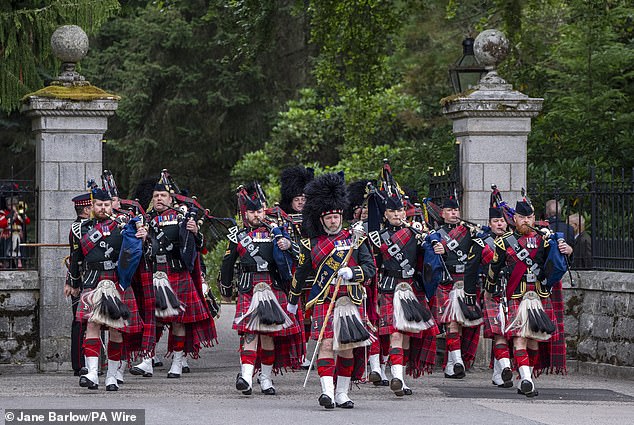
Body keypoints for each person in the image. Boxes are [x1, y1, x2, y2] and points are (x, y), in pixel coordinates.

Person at [288, 173, 376, 409]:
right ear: (322, 219)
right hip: (325, 299)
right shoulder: (311, 243)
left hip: (349, 300)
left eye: (337, 217)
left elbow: (370, 269)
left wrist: (352, 273)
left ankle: (342, 394)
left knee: (345, 349)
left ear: (341, 216)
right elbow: (301, 273)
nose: (334, 221)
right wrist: (293, 300)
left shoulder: (355, 239)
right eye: (329, 218)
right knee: (326, 345)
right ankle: (326, 392)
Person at [219, 184, 302, 396]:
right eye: (252, 211)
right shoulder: (237, 234)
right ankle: (246, 376)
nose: (256, 215)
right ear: (244, 213)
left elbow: (298, 255)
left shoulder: (278, 231)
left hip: (272, 285)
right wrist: (226, 288)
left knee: (268, 335)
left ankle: (265, 378)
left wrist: (287, 244)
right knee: (249, 333)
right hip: (248, 285)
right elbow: (228, 263)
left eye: (259, 210)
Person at [131, 178, 216, 379]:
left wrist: (196, 232)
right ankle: (147, 360)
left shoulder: (181, 218)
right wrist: (140, 238)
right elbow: (141, 250)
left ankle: (177, 361)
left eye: (162, 196)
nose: (159, 199)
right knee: (152, 319)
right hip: (154, 272)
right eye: (155, 196)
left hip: (176, 271)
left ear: (171, 199)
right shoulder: (145, 219)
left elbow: (198, 246)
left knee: (178, 319)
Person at [486, 200, 572, 397]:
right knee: (519, 338)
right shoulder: (504, 241)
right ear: (514, 219)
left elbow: (558, 263)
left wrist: (568, 250)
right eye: (522, 217)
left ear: (535, 218)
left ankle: (527, 377)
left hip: (538, 295)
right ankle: (526, 379)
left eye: (529, 217)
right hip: (516, 294)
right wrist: (490, 290)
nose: (526, 221)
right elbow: (494, 269)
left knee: (533, 341)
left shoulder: (545, 240)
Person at [367, 174, 441, 397]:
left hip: (410, 288)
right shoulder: (377, 238)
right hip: (389, 287)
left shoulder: (417, 235)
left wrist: (436, 247)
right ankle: (397, 376)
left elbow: (426, 259)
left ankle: (400, 375)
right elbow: (373, 266)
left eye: (400, 211)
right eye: (392, 212)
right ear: (386, 214)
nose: (397, 215)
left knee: (407, 334)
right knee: (396, 334)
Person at [71, 187, 145, 391]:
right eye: (99, 205)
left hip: (115, 280)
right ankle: (93, 373)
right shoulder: (82, 229)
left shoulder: (122, 226)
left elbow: (136, 252)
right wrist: (73, 282)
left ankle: (112, 375)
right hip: (93, 280)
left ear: (110, 205)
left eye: (106, 205)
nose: (103, 208)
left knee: (115, 329)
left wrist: (142, 237)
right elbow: (76, 258)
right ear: (92, 206)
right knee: (92, 325)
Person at [433, 197, 481, 379]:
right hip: (448, 281)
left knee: (462, 325)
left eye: (456, 211)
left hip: (466, 281)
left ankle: (450, 365)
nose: (454, 214)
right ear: (443, 213)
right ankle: (458, 361)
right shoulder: (437, 234)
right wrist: (437, 248)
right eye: (450, 211)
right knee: (452, 322)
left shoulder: (469, 231)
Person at [464, 205, 511, 388]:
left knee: (507, 333)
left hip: (512, 291)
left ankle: (498, 373)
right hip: (492, 291)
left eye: (502, 221)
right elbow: (471, 269)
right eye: (496, 221)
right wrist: (469, 294)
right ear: (489, 224)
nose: (500, 224)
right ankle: (502, 370)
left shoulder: (513, 241)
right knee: (499, 332)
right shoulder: (481, 242)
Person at [64, 193, 92, 376]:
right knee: (80, 321)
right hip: (83, 278)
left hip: (96, 276)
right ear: (87, 209)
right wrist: (72, 282)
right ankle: (79, 363)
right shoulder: (78, 228)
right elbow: (76, 257)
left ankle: (93, 361)